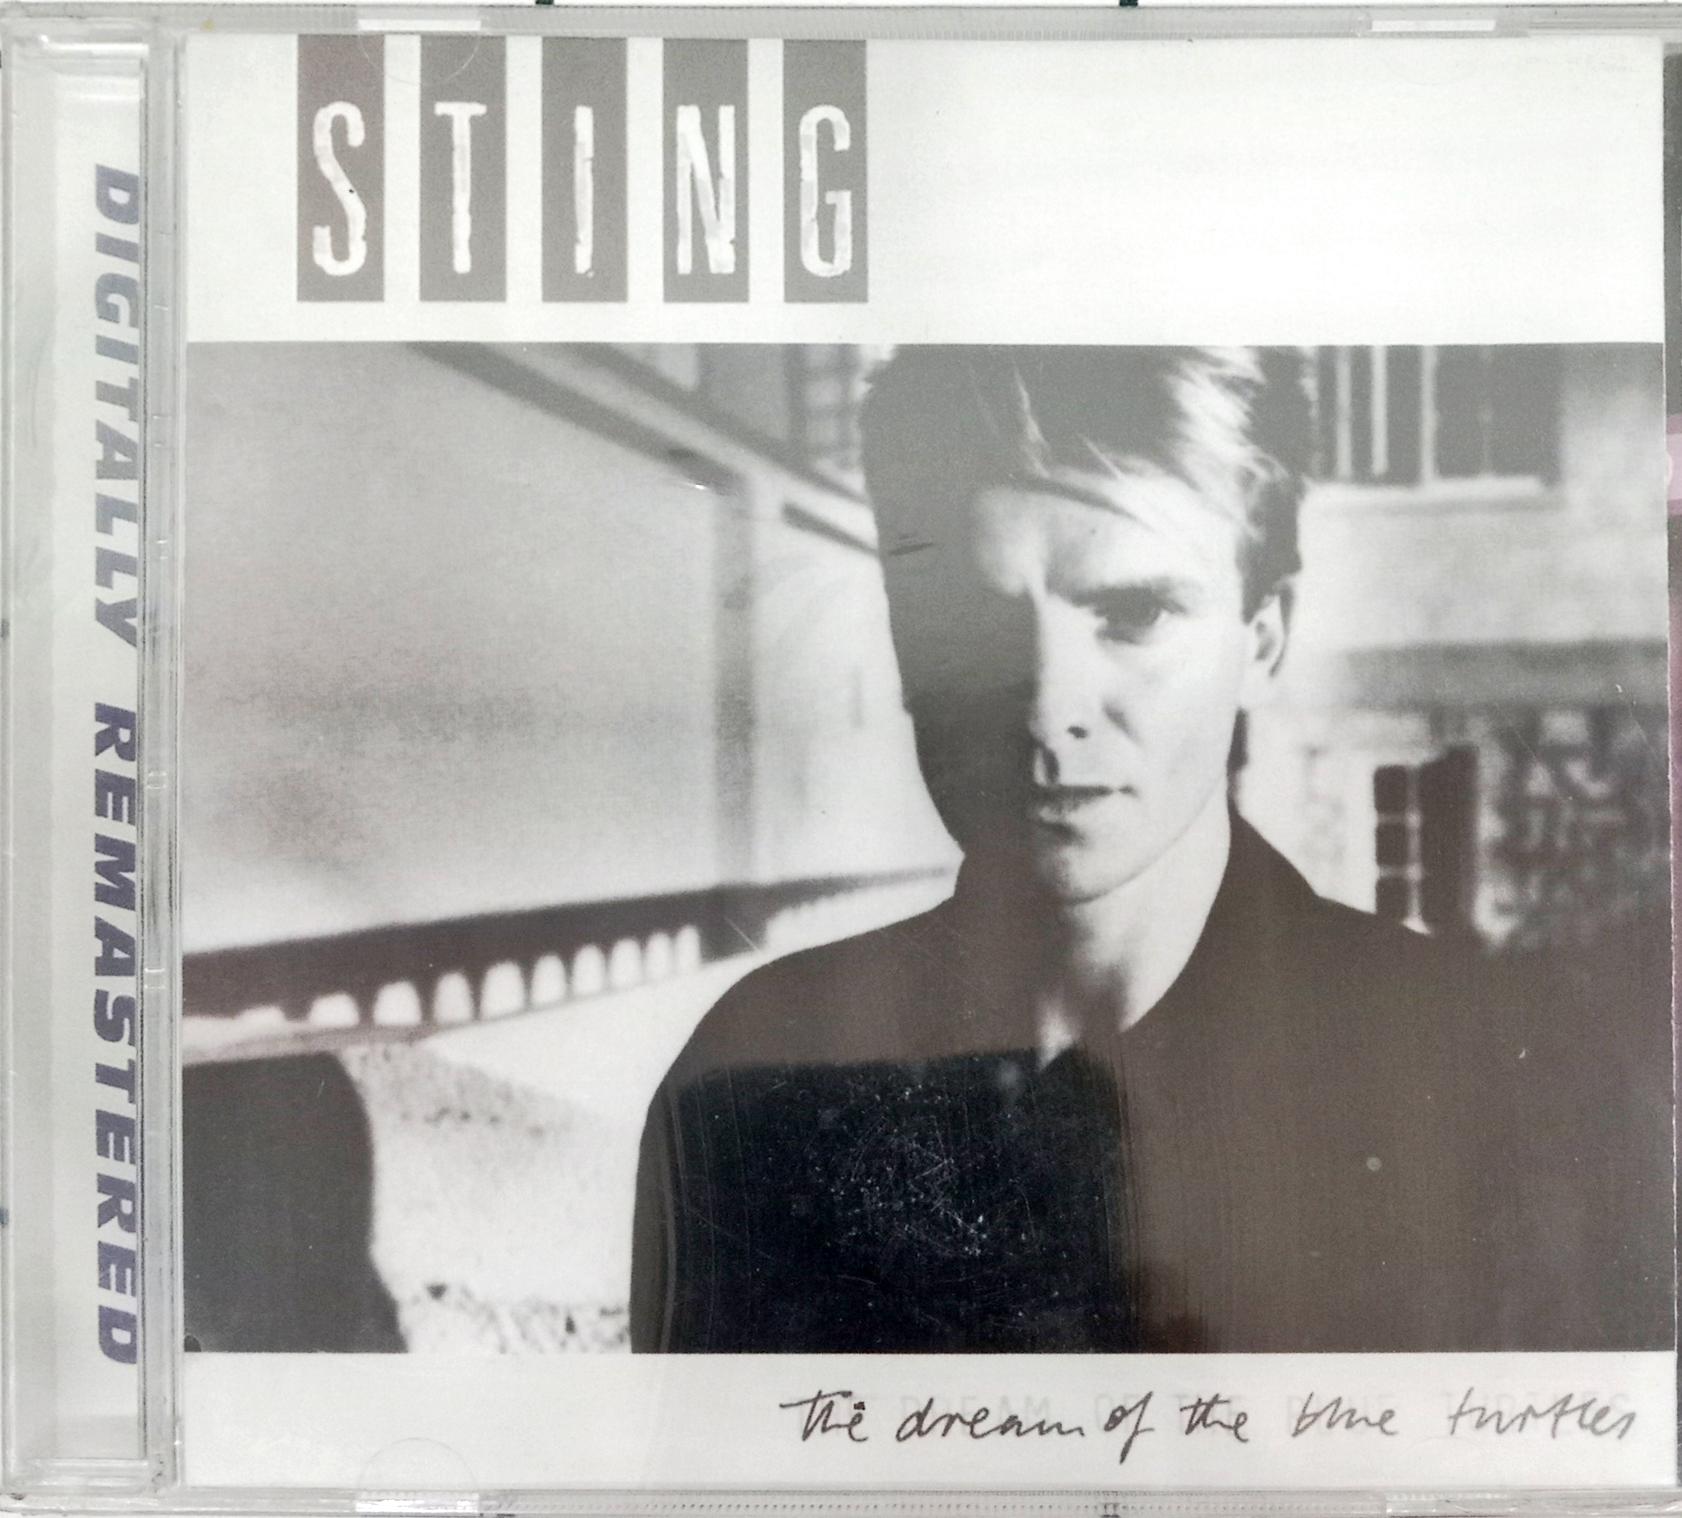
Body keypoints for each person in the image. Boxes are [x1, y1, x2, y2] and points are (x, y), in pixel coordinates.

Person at [630, 347, 1672, 1354]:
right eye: (967, 618)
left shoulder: (1503, 1098)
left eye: (1134, 614)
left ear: (1262, 638)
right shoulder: (746, 1081)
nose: (1047, 708)